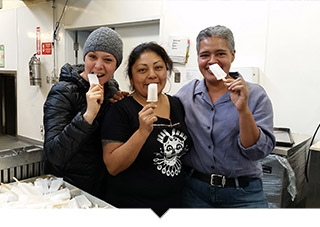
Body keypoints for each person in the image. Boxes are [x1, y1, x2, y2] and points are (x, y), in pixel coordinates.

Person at [175, 25, 276, 208]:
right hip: (194, 191)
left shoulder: (255, 95)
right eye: (205, 55)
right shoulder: (185, 95)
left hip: (243, 194)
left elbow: (257, 152)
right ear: (198, 58)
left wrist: (243, 110)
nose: (212, 62)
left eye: (220, 54)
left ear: (232, 55)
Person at [100, 42, 193, 216]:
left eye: (158, 67)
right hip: (132, 206)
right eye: (142, 70)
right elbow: (113, 166)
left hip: (174, 204)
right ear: (131, 77)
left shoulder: (177, 104)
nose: (152, 75)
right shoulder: (120, 110)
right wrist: (142, 132)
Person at [43, 27, 127, 199]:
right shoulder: (63, 92)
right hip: (68, 188)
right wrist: (87, 115)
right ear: (85, 57)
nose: (98, 65)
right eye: (92, 57)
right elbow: (54, 154)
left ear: (116, 65)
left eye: (108, 59)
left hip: (101, 184)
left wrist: (119, 108)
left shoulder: (112, 88)